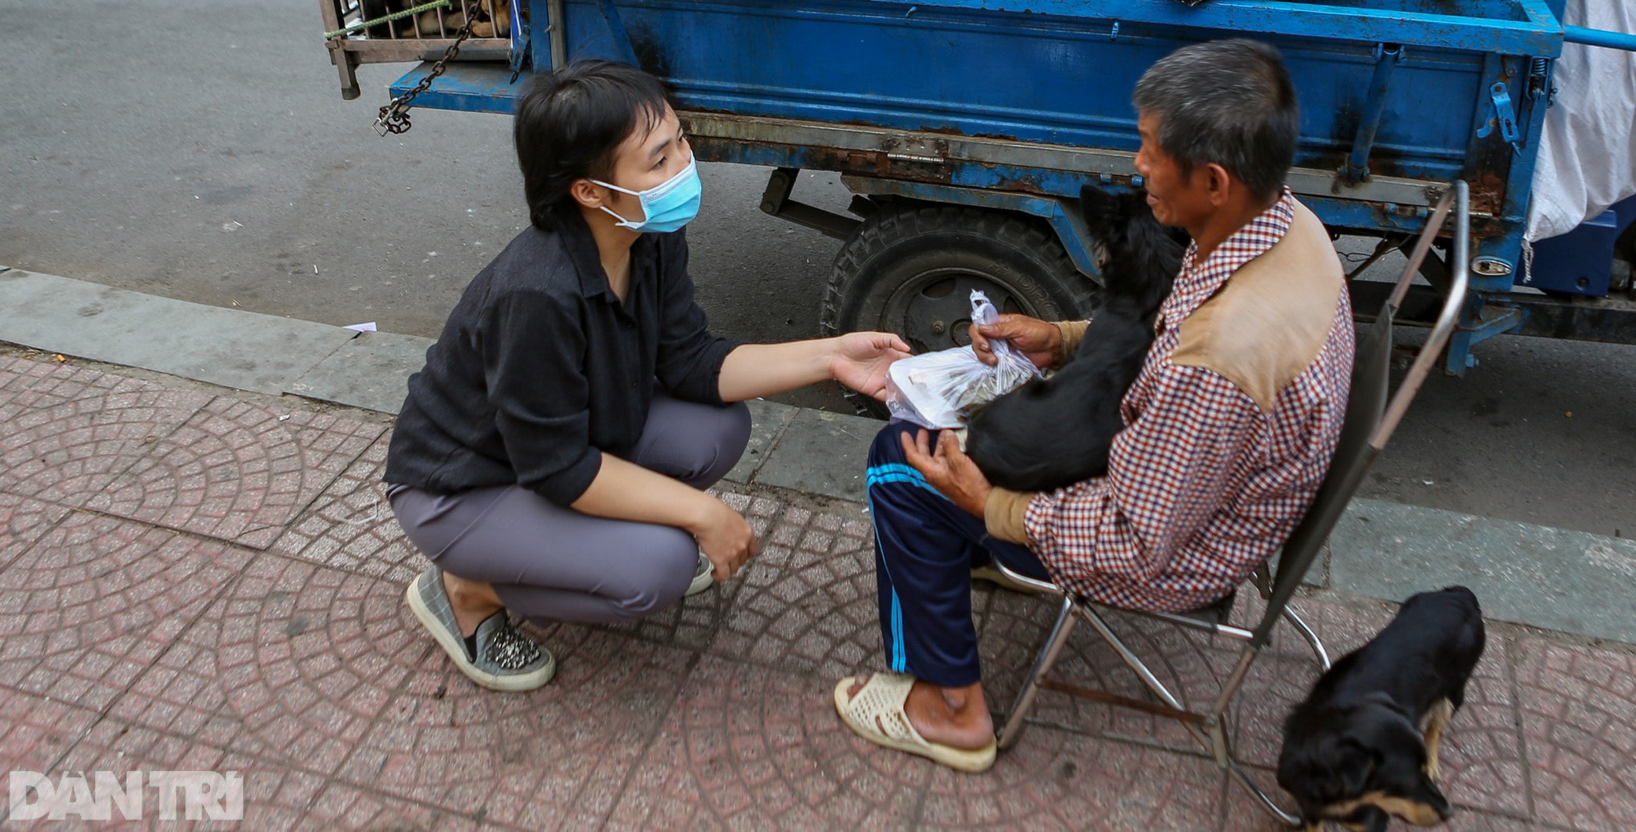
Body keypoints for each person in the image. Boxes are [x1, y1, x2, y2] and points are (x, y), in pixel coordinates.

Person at [834, 39, 1354, 771]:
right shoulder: (1281, 222)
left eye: (1148, 150)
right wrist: (1065, 338)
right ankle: (972, 547)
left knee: (902, 460)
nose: (1136, 165)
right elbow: (1166, 329)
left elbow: (1133, 543)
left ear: (1212, 178)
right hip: (1211, 493)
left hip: (1179, 549)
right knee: (984, 443)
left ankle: (953, 709)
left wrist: (991, 504)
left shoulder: (1224, 358)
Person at [382, 61, 909, 691]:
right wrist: (699, 514)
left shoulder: (646, 238)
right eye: (659, 161)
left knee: (716, 428)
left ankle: (578, 546)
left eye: (681, 141)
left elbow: (693, 363)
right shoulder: (536, 296)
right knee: (658, 567)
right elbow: (556, 466)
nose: (685, 165)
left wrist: (832, 357)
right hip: (462, 487)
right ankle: (468, 588)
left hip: (562, 452)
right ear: (591, 192)